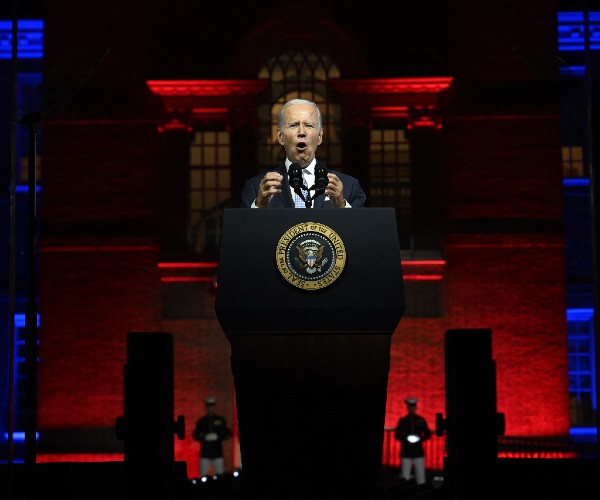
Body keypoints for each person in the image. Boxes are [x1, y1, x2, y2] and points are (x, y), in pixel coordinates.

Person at [240, 98, 367, 209]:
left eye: (309, 125)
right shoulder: (257, 188)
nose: (302, 132)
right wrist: (260, 206)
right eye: (294, 125)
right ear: (280, 137)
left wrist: (341, 206)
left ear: (320, 137)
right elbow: (244, 234)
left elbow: (360, 233)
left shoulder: (349, 187)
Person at [394, 397, 432, 485]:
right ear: (408, 408)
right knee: (405, 476)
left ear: (415, 408)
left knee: (420, 476)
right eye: (410, 407)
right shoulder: (403, 421)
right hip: (406, 451)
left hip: (417, 451)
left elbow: (427, 434)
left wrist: (419, 438)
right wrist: (405, 438)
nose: (412, 409)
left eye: (413, 407)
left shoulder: (421, 420)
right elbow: (397, 435)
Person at [192, 396, 232, 477]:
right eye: (208, 407)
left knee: (219, 475)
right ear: (206, 407)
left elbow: (228, 434)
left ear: (214, 407)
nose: (210, 408)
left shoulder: (220, 420)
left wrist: (218, 437)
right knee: (203, 475)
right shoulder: (202, 421)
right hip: (205, 452)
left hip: (217, 452)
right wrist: (203, 438)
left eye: (212, 406)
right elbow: (195, 435)